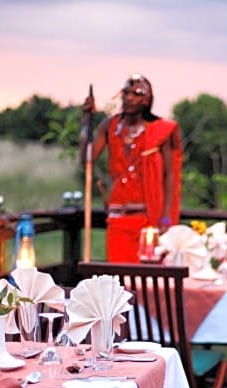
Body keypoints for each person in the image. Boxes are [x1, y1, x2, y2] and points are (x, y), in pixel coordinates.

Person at [82, 74, 183, 262]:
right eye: (126, 92)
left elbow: (170, 177)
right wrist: (86, 122)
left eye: (136, 94)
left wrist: (166, 219)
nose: (128, 98)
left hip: (148, 219)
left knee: (149, 280)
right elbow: (87, 161)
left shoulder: (161, 131)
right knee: (120, 281)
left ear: (146, 100)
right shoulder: (110, 126)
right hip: (118, 218)